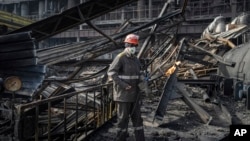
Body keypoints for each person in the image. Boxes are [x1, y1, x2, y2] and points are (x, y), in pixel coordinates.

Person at [107, 33, 145, 141]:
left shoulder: (136, 59)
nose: (133, 48)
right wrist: (124, 85)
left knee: (138, 119)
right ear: (126, 45)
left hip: (135, 95)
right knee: (123, 119)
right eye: (131, 45)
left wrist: (143, 78)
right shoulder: (120, 58)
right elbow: (111, 73)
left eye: (134, 46)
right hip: (123, 95)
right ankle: (121, 139)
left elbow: (140, 72)